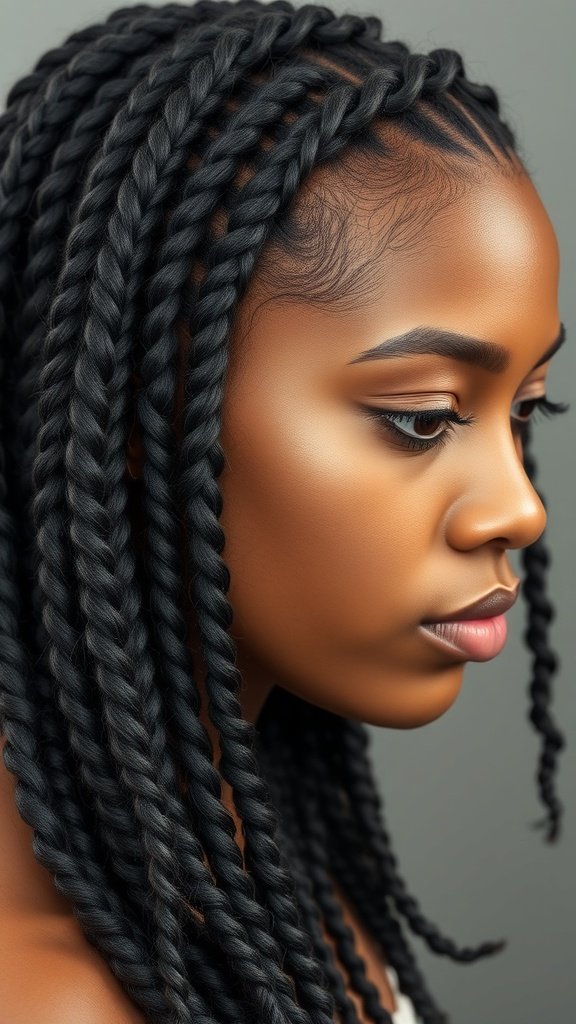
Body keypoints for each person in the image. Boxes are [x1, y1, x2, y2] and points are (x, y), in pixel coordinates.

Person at [0, 2, 568, 1022]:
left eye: (527, 408)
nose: (519, 508)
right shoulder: (56, 997)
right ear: (143, 403)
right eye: (425, 418)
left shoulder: (260, 883)